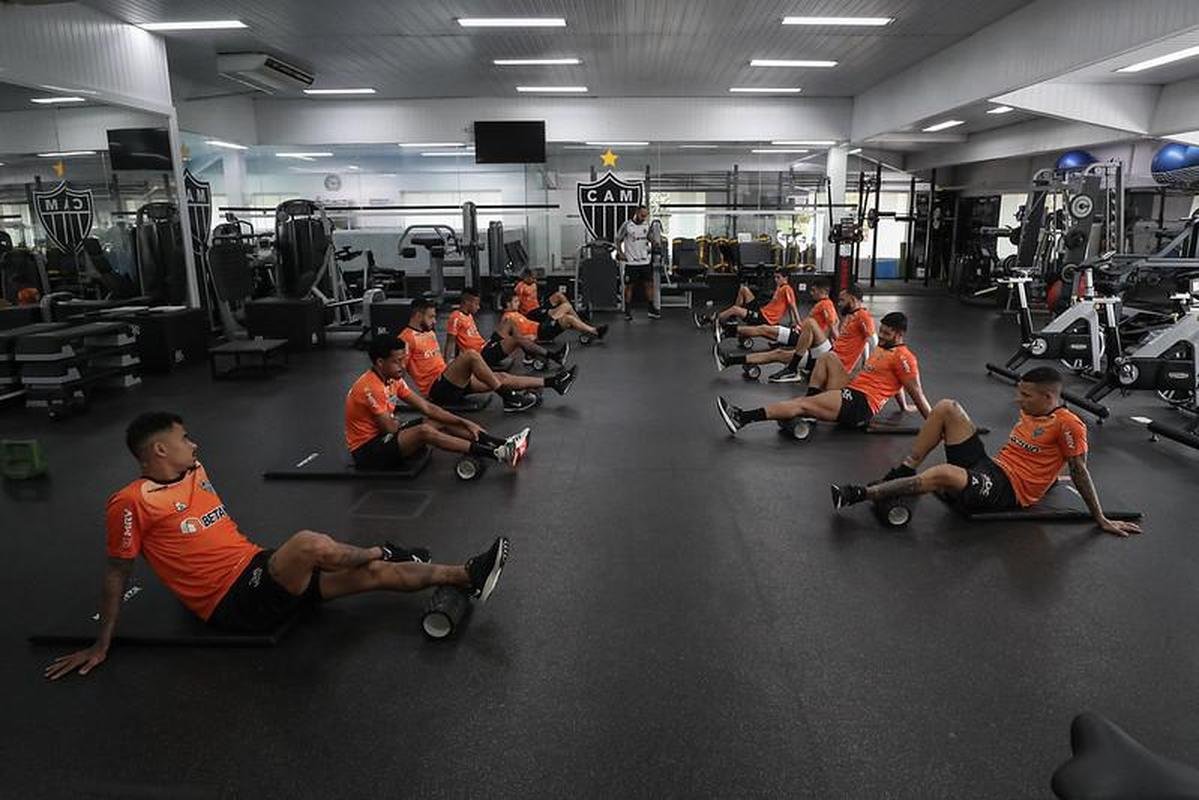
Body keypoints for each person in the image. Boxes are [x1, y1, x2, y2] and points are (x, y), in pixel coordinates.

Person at [44, 412, 511, 680]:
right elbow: (116, 573)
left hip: (258, 572)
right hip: (230, 602)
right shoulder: (130, 502)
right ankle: (381, 550)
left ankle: (465, 574)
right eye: (183, 438)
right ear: (159, 451)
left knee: (370, 579)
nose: (194, 442)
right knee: (309, 543)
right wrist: (101, 643)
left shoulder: (195, 472)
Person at [829, 366, 1144, 538]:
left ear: (1049, 397)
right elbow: (1050, 462)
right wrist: (1051, 480)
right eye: (1019, 393)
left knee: (943, 473)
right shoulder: (1034, 412)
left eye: (1026, 395)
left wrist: (1100, 518)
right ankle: (902, 472)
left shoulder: (1068, 425)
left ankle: (860, 494)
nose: (1019, 400)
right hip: (991, 467)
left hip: (1007, 492)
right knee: (947, 407)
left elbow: (1079, 468)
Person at [716, 311, 931, 435]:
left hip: (860, 405)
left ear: (900, 334)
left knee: (799, 403)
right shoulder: (884, 348)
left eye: (886, 333)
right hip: (853, 390)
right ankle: (812, 404)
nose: (881, 336)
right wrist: (902, 406)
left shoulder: (905, 358)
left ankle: (742, 418)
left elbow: (916, 391)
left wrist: (933, 425)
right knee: (828, 357)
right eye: (881, 331)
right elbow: (897, 384)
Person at [347, 337, 529, 471]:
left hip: (386, 440)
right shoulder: (370, 387)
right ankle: (497, 454)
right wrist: (395, 423)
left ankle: (501, 443)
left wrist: (464, 422)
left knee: (437, 420)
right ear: (380, 362)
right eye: (397, 361)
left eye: (404, 360)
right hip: (368, 451)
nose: (403, 366)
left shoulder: (393, 379)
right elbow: (391, 429)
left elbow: (428, 408)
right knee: (424, 431)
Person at [401, 299, 577, 413]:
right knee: (470, 355)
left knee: (500, 376)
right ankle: (509, 399)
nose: (434, 321)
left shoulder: (428, 333)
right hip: (436, 389)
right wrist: (406, 400)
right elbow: (397, 373)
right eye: (431, 317)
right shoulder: (406, 338)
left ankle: (554, 382)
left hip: (450, 380)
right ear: (418, 315)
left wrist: (453, 366)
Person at [712, 276, 839, 378]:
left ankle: (726, 339)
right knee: (770, 341)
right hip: (806, 342)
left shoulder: (827, 305)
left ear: (823, 291)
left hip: (809, 343)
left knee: (768, 338)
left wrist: (837, 352)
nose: (811, 293)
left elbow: (833, 327)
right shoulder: (822, 304)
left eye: (814, 291)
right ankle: (727, 354)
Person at [766, 283, 877, 384]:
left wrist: (869, 366)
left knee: (781, 345)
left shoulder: (863, 317)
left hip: (834, 362)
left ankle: (793, 368)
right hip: (829, 352)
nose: (839, 304)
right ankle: (749, 360)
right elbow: (865, 342)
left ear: (852, 300)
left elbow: (873, 341)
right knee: (779, 353)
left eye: (842, 300)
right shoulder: (851, 315)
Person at [445, 288, 568, 371]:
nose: (479, 307)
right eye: (476, 304)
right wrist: (447, 367)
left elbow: (459, 343)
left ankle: (529, 355)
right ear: (466, 302)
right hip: (482, 356)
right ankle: (554, 356)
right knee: (516, 340)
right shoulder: (455, 317)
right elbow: (451, 342)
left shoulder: (468, 315)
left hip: (486, 346)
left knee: (509, 323)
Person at [699, 267, 801, 335]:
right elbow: (788, 305)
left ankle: (710, 319)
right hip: (761, 311)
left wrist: (798, 323)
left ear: (786, 278)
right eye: (775, 277)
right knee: (744, 289)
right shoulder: (780, 287)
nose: (775, 280)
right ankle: (732, 318)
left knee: (735, 309)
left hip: (765, 319)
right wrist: (791, 321)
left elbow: (792, 306)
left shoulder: (787, 288)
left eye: (778, 277)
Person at [499, 290, 606, 349]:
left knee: (568, 318)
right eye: (516, 302)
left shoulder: (514, 314)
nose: (519, 303)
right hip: (541, 333)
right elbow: (505, 337)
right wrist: (528, 339)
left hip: (541, 327)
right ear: (508, 304)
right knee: (567, 313)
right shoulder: (507, 318)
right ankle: (592, 331)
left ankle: (592, 331)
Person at [615, 205, 658, 320]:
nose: (644, 217)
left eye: (646, 215)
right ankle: (628, 312)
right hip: (631, 262)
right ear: (637, 212)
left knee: (649, 285)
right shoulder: (627, 225)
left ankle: (651, 310)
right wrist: (620, 253)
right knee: (629, 287)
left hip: (645, 261)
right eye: (642, 215)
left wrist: (654, 242)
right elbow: (618, 239)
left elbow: (648, 237)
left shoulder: (646, 225)